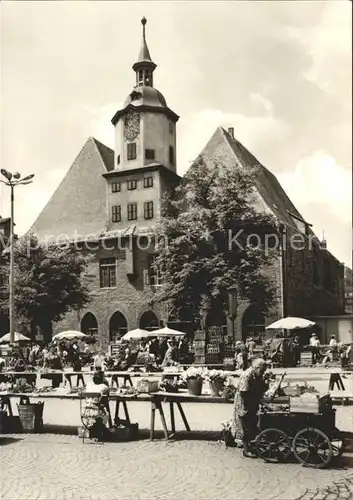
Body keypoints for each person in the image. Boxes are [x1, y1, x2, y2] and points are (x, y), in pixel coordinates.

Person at [233, 358, 269, 457]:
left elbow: (262, 387)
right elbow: (244, 392)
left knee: (252, 424)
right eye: (262, 370)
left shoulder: (258, 375)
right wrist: (255, 398)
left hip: (252, 402)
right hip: (245, 403)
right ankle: (246, 450)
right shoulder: (247, 375)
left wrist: (266, 383)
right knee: (246, 426)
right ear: (256, 368)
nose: (262, 373)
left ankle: (251, 445)